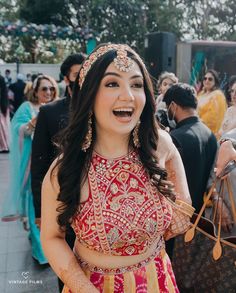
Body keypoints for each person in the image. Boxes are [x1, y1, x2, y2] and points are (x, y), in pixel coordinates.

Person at [41, 43, 194, 293]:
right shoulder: (66, 168)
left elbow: (183, 209)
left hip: (158, 279)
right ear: (89, 95)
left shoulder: (160, 145)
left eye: (136, 84)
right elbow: (51, 237)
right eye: (112, 84)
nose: (128, 96)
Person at [31, 53, 86, 290]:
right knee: (66, 271)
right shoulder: (50, 112)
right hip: (62, 202)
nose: (84, 79)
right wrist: (40, 211)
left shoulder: (101, 107)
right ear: (66, 79)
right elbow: (39, 165)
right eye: (77, 74)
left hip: (95, 206)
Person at [1, 75, 58, 265]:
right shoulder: (27, 107)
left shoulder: (58, 107)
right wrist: (36, 120)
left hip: (55, 165)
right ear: (35, 91)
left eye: (51, 88)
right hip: (34, 166)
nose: (48, 92)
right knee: (36, 207)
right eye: (44, 89)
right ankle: (41, 253)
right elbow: (18, 130)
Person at [163, 83, 217, 213]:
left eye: (167, 107)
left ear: (173, 106)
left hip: (178, 218)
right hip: (200, 218)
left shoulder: (174, 138)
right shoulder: (210, 135)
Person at [197, 69, 227, 136]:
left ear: (215, 82)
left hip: (209, 133)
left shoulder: (218, 95)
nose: (207, 81)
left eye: (210, 79)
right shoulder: (201, 94)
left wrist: (196, 122)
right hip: (196, 128)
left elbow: (213, 118)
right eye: (205, 78)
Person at [0, 76, 10, 152]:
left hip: (2, 108)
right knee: (5, 127)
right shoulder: (4, 91)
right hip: (4, 107)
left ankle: (3, 146)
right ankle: (6, 145)